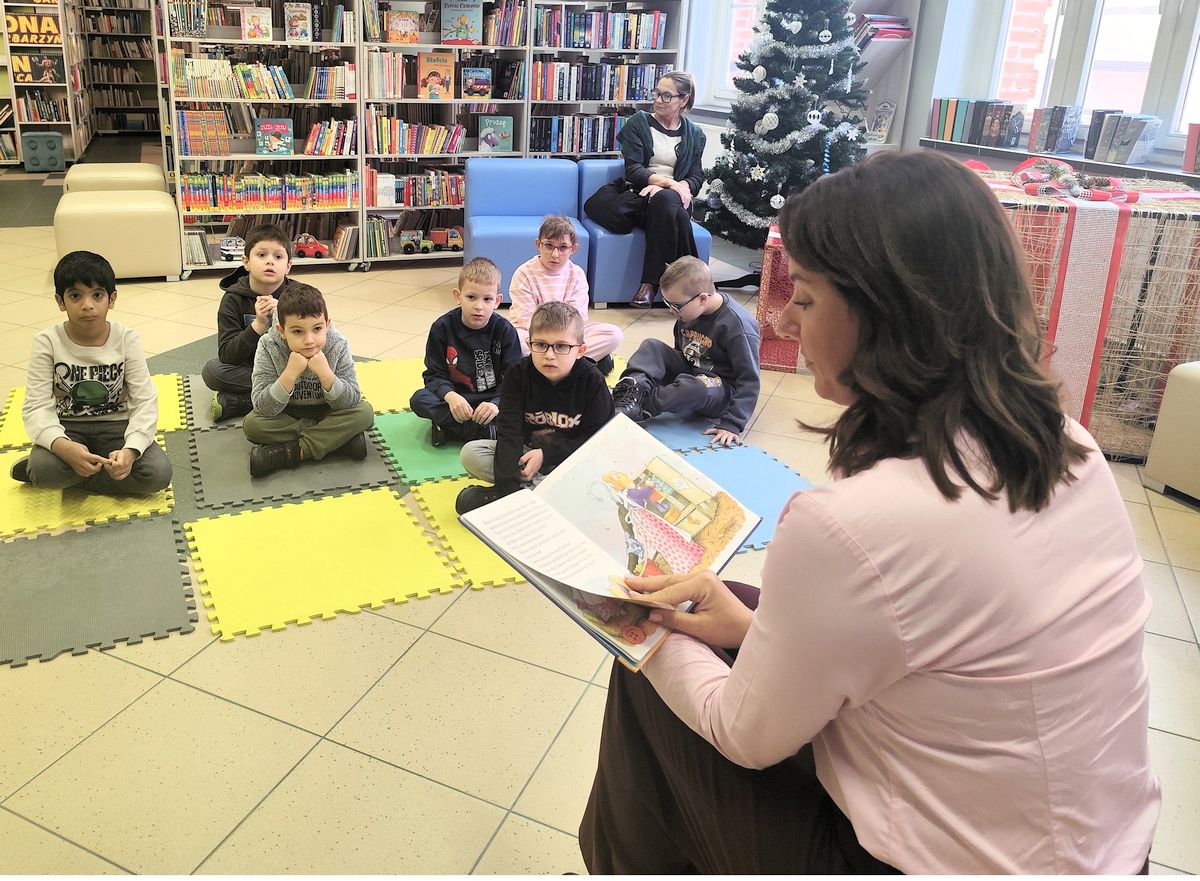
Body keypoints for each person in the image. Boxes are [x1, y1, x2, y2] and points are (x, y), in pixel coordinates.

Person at [579, 150, 1161, 874]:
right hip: (1111, 849)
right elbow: (948, 645)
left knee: (650, 658)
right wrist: (750, 629)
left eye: (806, 299)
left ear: (886, 315)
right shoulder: (1070, 444)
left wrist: (634, 623)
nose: (783, 319)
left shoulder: (850, 524)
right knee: (731, 605)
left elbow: (742, 734)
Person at [11, 250, 172, 495]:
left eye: (97, 295)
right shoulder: (47, 342)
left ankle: (76, 477)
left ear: (112, 299)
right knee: (45, 470)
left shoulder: (126, 338)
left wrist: (131, 450)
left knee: (158, 474)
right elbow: (36, 406)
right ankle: (58, 468)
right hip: (68, 428)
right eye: (75, 296)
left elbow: (144, 401)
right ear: (60, 301)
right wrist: (62, 447)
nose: (87, 305)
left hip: (118, 426)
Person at [455, 301, 615, 514]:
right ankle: (539, 494)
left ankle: (530, 495)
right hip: (528, 456)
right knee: (471, 453)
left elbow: (599, 440)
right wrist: (507, 485)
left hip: (573, 458)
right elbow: (509, 432)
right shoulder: (517, 375)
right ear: (529, 345)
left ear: (580, 350)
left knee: (603, 468)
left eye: (562, 346)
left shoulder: (592, 380)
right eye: (541, 345)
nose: (549, 355)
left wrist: (547, 455)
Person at [584, 71, 706, 308]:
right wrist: (668, 184)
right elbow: (634, 170)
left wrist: (681, 187)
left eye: (666, 96)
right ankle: (692, 288)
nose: (658, 100)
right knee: (676, 214)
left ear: (683, 100)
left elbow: (696, 177)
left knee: (667, 201)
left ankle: (650, 284)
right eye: (656, 93)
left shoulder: (695, 134)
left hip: (676, 199)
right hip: (641, 198)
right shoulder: (638, 123)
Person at [611, 256, 760, 447]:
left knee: (694, 387)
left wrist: (733, 423)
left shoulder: (739, 327)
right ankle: (631, 392)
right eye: (668, 304)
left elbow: (749, 380)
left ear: (702, 299)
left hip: (719, 389)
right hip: (692, 372)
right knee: (652, 346)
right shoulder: (689, 312)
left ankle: (643, 405)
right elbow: (680, 353)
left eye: (676, 306)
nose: (671, 311)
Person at [243, 285, 374, 477]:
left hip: (328, 411)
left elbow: (351, 398)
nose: (309, 340)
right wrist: (289, 374)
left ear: (327, 324)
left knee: (364, 413)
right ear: (281, 331)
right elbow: (263, 407)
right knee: (253, 425)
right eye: (297, 331)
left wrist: (326, 374)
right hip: (288, 414)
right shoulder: (268, 345)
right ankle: (336, 441)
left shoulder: (338, 343)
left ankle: (292, 452)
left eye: (317, 329)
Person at [203, 224, 321, 423]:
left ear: (288, 266)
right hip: (253, 368)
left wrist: (283, 316)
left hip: (294, 366)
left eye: (278, 256)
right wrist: (257, 326)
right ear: (246, 262)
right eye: (261, 255)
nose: (270, 261)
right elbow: (227, 355)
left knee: (322, 370)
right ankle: (293, 398)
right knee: (212, 371)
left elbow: (316, 343)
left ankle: (247, 402)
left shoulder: (300, 295)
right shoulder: (232, 299)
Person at [409, 257, 522, 448]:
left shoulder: (504, 330)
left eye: (487, 299)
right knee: (419, 399)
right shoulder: (442, 327)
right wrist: (450, 396)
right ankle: (481, 430)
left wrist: (496, 403)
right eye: (471, 297)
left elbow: (515, 380)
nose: (479, 306)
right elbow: (434, 375)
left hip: (490, 400)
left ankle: (450, 427)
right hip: (455, 399)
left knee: (528, 403)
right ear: (457, 296)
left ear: (497, 301)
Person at [508, 214, 623, 375]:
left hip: (566, 338)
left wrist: (560, 343)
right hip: (536, 335)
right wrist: (552, 343)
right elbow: (525, 318)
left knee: (613, 334)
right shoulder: (523, 273)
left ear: (573, 249)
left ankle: (544, 367)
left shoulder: (577, 274)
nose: (555, 254)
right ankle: (582, 364)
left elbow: (578, 319)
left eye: (563, 247)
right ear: (538, 244)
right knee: (514, 340)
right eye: (549, 246)